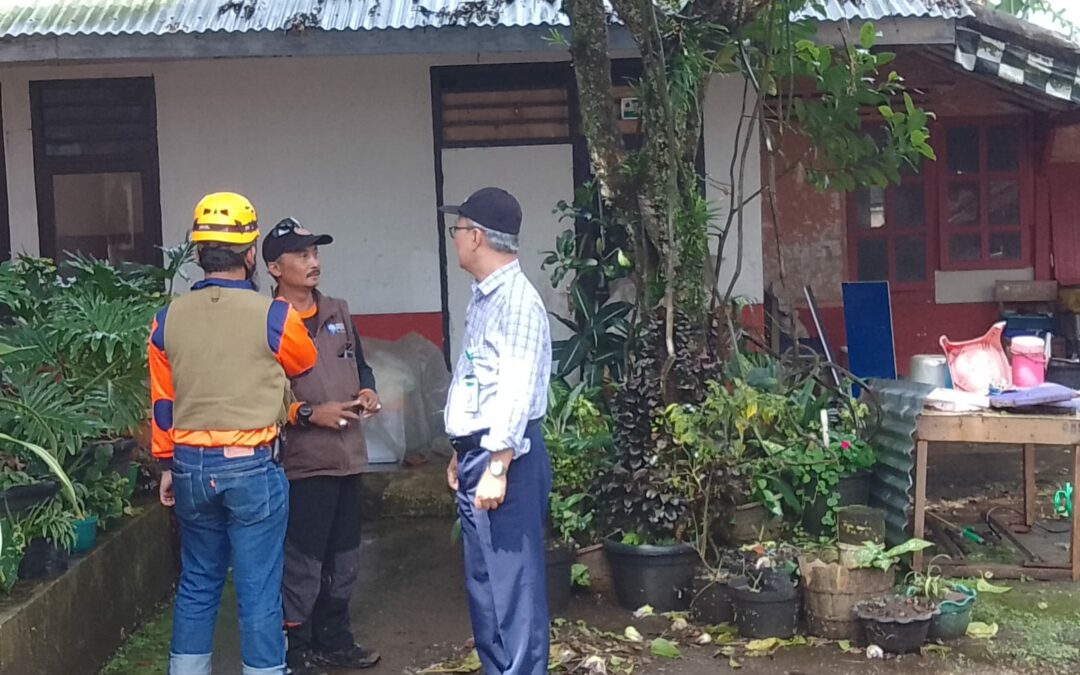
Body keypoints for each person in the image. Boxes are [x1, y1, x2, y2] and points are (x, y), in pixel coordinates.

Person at [150, 192, 317, 675]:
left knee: (198, 581)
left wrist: (166, 466)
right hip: (251, 468)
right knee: (258, 587)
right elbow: (303, 360)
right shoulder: (274, 315)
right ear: (250, 254)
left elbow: (163, 403)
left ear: (199, 253)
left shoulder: (166, 320)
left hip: (188, 468)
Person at [439, 187, 553, 675]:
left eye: (458, 229)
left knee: (513, 589)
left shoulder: (516, 303)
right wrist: (460, 447)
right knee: (485, 588)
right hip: (478, 454)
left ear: (478, 236)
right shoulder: (486, 297)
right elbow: (476, 378)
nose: (455, 239)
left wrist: (498, 464)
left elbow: (517, 389)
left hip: (507, 459)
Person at [261, 217, 382, 673]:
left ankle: (337, 639)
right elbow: (263, 397)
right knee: (303, 560)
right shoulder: (267, 321)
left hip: (349, 456)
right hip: (303, 462)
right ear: (275, 267)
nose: (314, 263)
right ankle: (299, 645)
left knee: (345, 556)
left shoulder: (338, 310)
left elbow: (362, 367)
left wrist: (367, 390)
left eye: (315, 254)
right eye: (302, 255)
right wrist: (309, 414)